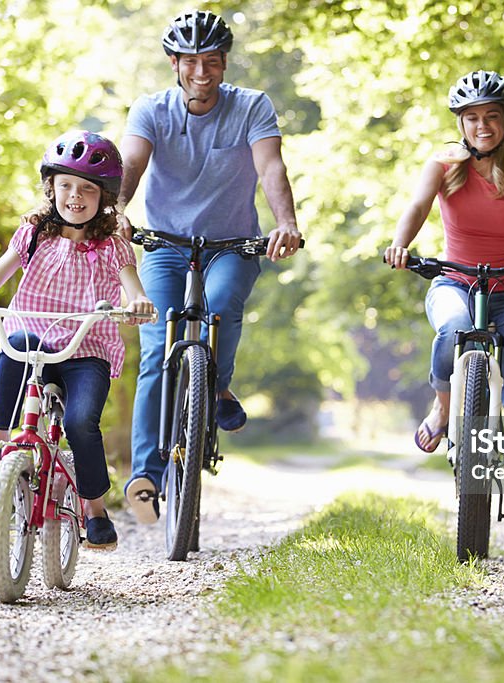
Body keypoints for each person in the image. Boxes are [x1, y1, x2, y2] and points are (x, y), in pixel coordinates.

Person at [117, 9, 303, 524]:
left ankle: (214, 384)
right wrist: (117, 212)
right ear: (174, 63)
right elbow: (131, 163)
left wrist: (284, 222)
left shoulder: (251, 106)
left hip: (233, 244)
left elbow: (271, 166)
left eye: (213, 62)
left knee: (220, 308)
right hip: (165, 244)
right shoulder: (151, 110)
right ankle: (145, 476)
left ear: (224, 65)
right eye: (192, 62)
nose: (203, 73)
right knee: (158, 343)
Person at [384, 69, 504, 532]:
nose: (482, 126)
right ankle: (442, 403)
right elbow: (416, 207)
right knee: (452, 328)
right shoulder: (445, 165)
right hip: (455, 282)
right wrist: (400, 243)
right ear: (461, 124)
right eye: (472, 118)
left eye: (492, 116)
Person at [0, 130, 155, 551]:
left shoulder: (112, 246)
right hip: (35, 344)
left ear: (104, 197)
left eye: (87, 189)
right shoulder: (34, 234)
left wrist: (140, 304)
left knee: (79, 423)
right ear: (51, 188)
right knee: (14, 340)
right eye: (66, 186)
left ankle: (94, 509)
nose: (75, 196)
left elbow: (134, 289)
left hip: (85, 351)